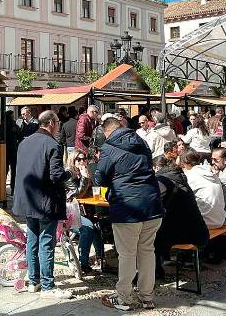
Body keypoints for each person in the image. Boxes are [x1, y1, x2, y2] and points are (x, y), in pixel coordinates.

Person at [95, 116, 164, 310]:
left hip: (127, 207)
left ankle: (124, 297)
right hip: (151, 204)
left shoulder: (108, 148)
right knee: (147, 251)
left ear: (107, 132)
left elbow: (100, 177)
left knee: (126, 254)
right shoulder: (141, 141)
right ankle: (147, 297)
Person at [12, 110, 73, 300]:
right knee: (46, 242)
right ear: (51, 123)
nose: (59, 126)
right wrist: (70, 173)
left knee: (32, 240)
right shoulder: (52, 145)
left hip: (28, 200)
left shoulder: (25, 142)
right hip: (45, 201)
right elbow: (56, 175)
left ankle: (34, 281)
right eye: (58, 123)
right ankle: (48, 285)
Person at [154, 156, 208, 278]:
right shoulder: (180, 179)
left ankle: (154, 270)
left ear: (156, 168)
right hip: (199, 231)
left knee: (148, 236)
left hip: (188, 233)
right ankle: (158, 266)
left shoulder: (163, 181)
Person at [64, 149, 103, 275]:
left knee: (98, 225)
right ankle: (83, 263)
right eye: (78, 159)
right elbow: (78, 193)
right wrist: (85, 177)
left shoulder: (84, 172)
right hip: (70, 213)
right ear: (73, 160)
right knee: (88, 228)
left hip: (84, 210)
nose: (82, 161)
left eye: (84, 159)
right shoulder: (69, 174)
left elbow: (90, 191)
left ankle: (100, 259)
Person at [179, 149, 225, 229]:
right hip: (219, 220)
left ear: (184, 163)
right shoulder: (210, 172)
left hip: (204, 223)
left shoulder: (190, 175)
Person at [0, 110, 21, 195]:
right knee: (14, 170)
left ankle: (2, 189)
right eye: (12, 116)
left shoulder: (2, 125)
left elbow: (1, 136)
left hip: (5, 149)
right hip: (13, 149)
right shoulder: (13, 125)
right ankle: (13, 189)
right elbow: (19, 134)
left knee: (5, 170)